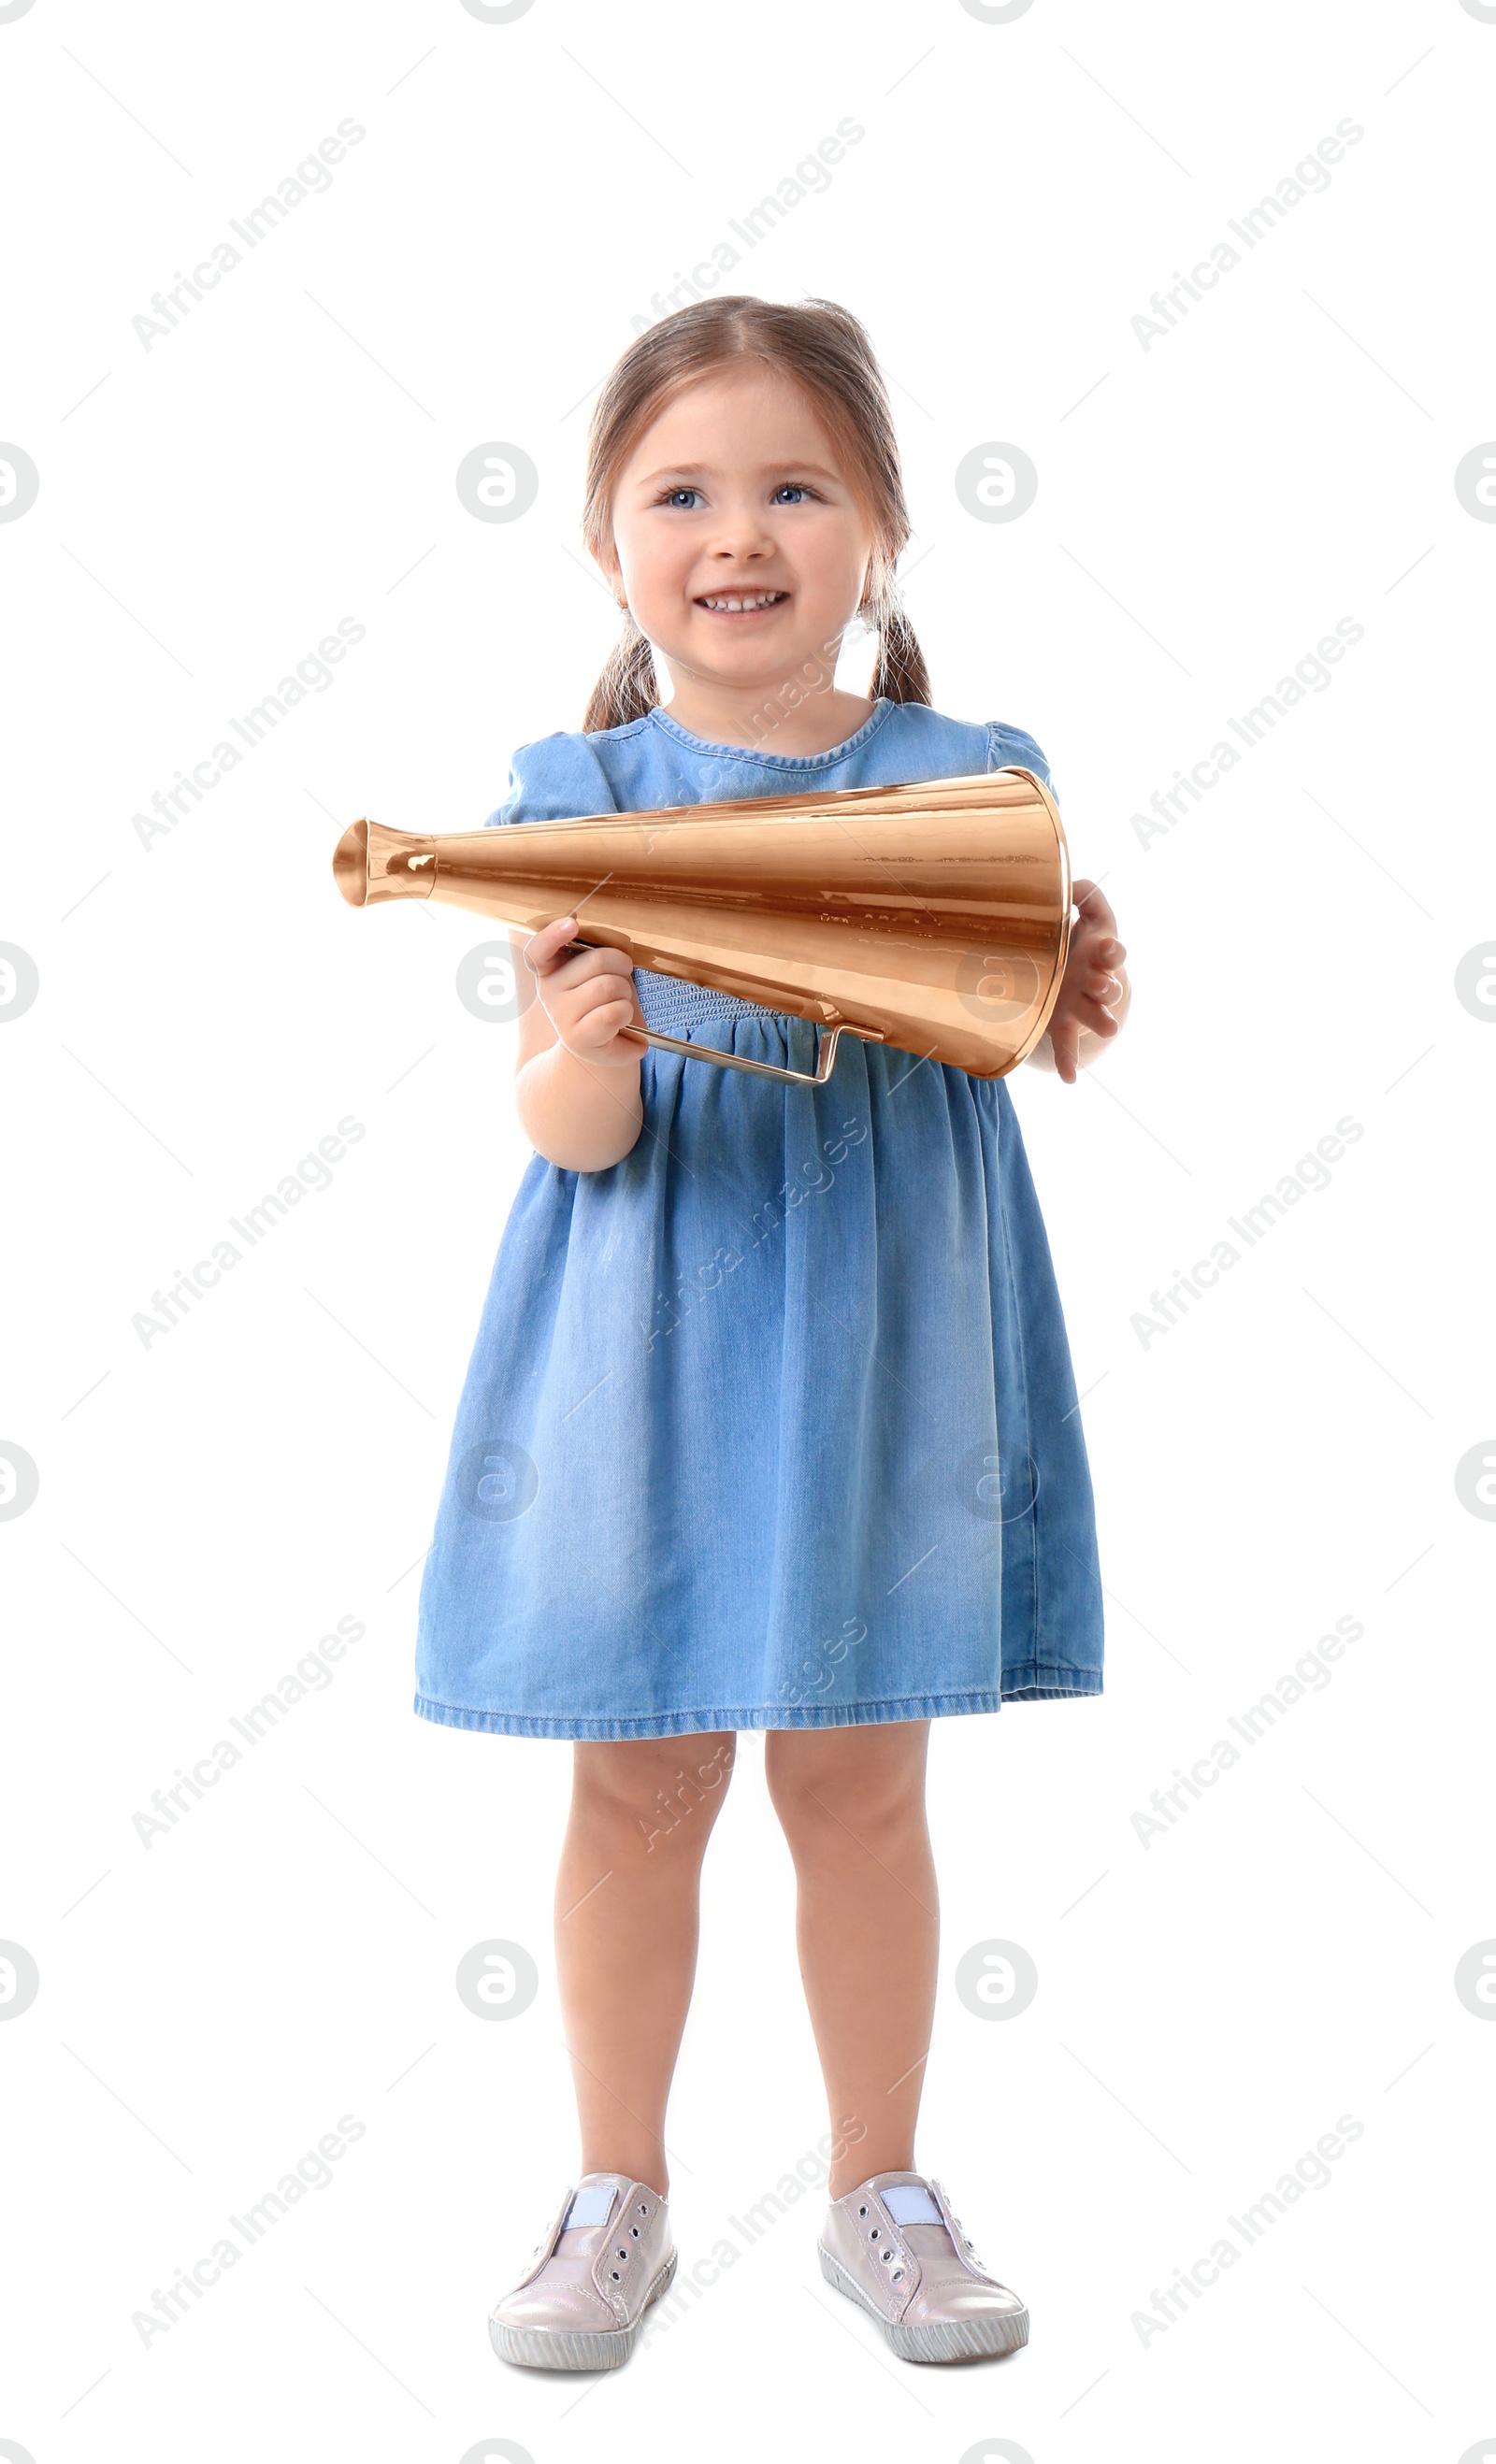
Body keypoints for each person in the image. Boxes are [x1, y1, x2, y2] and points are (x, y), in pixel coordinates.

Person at [412, 295, 1131, 2371]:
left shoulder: (965, 782)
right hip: (647, 1338)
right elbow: (573, 1131)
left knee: (858, 1783)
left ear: (880, 530)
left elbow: (1031, 1032)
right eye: (684, 492)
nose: (739, 533)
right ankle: (613, 2187)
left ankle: (873, 2188)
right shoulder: (574, 795)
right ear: (608, 545)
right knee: (637, 1789)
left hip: (885, 1346)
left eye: (794, 485)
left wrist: (1072, 985)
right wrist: (578, 1040)